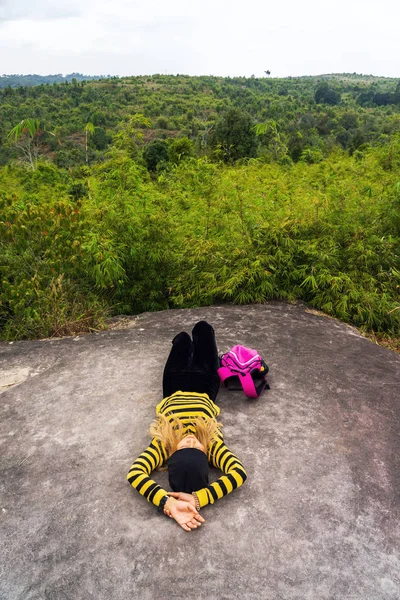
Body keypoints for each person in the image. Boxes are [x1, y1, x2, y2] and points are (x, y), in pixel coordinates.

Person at [126, 321, 247, 532]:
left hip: (173, 386)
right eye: (197, 448)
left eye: (184, 448)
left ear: (172, 453)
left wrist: (167, 502)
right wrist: (199, 499)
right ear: (207, 456)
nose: (191, 440)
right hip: (206, 385)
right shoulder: (212, 444)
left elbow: (135, 474)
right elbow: (238, 473)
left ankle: (182, 344)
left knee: (182, 340)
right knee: (203, 329)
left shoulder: (163, 444)